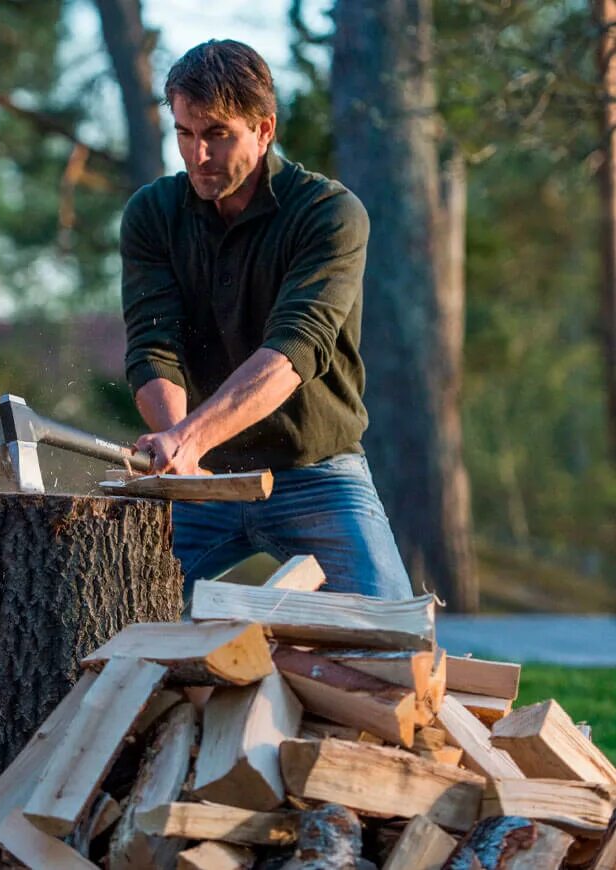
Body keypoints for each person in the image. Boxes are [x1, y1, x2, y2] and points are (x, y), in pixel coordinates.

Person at [120, 39, 413, 602]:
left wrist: (188, 437)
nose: (197, 155)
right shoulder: (152, 214)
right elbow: (153, 345)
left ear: (264, 129)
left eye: (217, 134)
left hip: (316, 473)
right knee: (106, 619)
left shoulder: (330, 214)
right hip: (200, 482)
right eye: (184, 133)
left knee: (395, 645)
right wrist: (182, 461)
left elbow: (295, 348)